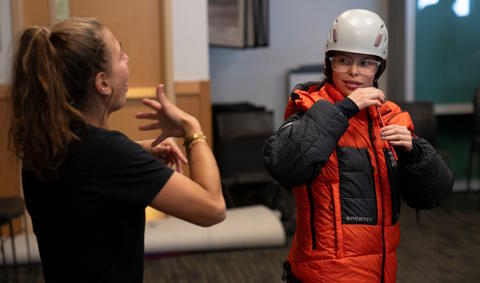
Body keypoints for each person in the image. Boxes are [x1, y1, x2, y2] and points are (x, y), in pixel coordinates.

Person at [8, 17, 226, 282]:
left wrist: (135, 153)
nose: (128, 59)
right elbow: (212, 208)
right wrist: (192, 128)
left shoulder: (43, 146)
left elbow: (85, 175)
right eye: (120, 56)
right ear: (103, 83)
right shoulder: (108, 155)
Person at [262, 9, 454, 283]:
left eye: (366, 63)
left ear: (378, 68)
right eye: (344, 61)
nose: (354, 72)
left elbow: (433, 195)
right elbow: (284, 166)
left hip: (380, 273)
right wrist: (345, 109)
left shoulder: (390, 117)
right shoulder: (308, 109)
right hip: (322, 276)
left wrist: (415, 153)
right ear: (330, 64)